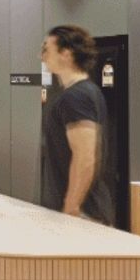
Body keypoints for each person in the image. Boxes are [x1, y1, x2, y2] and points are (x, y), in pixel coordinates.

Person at [38, 25, 115, 226]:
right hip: (82, 212)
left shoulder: (77, 96)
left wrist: (71, 208)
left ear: (66, 53)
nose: (42, 56)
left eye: (47, 49)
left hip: (83, 214)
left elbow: (85, 157)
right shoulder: (82, 93)